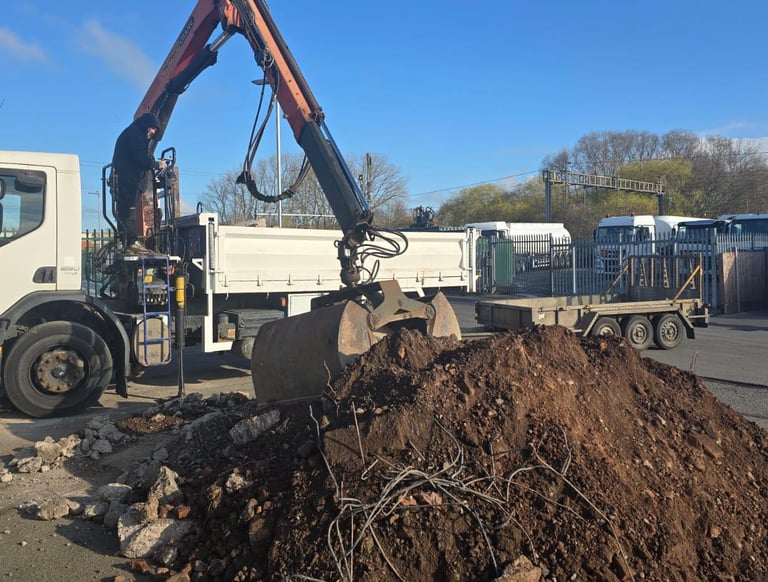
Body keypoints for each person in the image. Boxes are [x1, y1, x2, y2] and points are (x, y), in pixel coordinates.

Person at [110, 113, 165, 251]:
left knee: (126, 211)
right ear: (146, 125)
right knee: (128, 212)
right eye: (152, 128)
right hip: (127, 179)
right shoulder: (135, 135)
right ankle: (130, 241)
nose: (152, 132)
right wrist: (156, 164)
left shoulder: (133, 133)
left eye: (155, 130)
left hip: (127, 178)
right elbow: (140, 158)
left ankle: (129, 240)